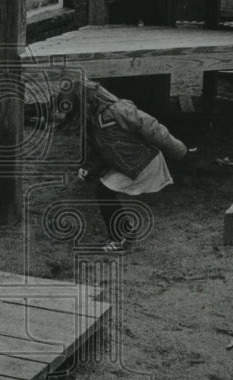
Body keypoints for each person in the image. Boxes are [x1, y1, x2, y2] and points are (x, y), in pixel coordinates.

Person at [56, 78, 188, 252]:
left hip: (143, 163)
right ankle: (125, 231)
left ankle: (121, 238)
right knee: (103, 192)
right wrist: (88, 168)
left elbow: (152, 128)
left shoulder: (120, 110)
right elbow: (102, 152)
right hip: (125, 164)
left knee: (104, 192)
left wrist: (178, 150)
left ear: (87, 103)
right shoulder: (94, 123)